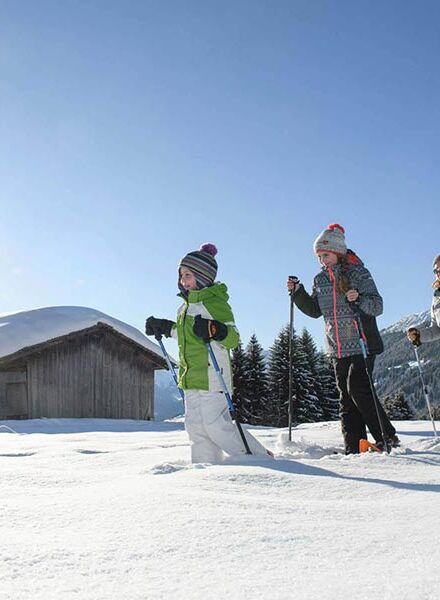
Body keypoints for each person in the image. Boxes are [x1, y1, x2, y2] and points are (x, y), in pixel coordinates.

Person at [146, 243, 272, 463]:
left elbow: (232, 338)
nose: (183, 280)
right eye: (181, 275)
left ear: (203, 277)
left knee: (216, 425)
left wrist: (215, 329)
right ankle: (205, 467)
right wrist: (166, 327)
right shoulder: (184, 308)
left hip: (213, 375)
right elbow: (186, 335)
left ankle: (258, 457)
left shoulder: (216, 304)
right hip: (190, 374)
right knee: (195, 427)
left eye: (188, 275)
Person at [287, 223, 399, 454]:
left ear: (337, 252)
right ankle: (354, 447)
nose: (322, 261)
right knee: (346, 397)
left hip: (362, 342)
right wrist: (298, 293)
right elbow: (316, 310)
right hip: (336, 347)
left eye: (325, 255)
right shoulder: (320, 280)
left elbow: (377, 306)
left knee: (358, 388)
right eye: (319, 257)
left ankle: (386, 437)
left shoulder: (359, 273)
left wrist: (357, 298)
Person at [407, 254, 440, 346]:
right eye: (435, 271)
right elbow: (437, 329)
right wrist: (419, 336)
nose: (438, 273)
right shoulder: (437, 297)